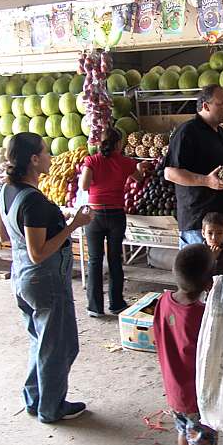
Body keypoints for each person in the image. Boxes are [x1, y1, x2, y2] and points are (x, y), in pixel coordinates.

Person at [0, 132, 93, 423]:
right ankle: (51, 408)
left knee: (40, 341)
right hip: (44, 280)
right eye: (45, 152)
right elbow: (39, 253)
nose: (51, 157)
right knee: (60, 346)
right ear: (34, 159)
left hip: (22, 277)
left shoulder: (6, 191)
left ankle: (34, 399)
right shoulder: (34, 202)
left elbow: (3, 236)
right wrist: (74, 225)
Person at [153, 244, 218, 445]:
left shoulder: (163, 301)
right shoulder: (202, 314)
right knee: (199, 442)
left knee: (184, 431)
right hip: (196, 396)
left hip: (174, 391)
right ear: (209, 283)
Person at [79, 127, 149, 317]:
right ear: (119, 143)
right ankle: (116, 304)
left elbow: (84, 185)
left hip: (94, 216)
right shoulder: (127, 162)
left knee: (94, 260)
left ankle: (95, 307)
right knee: (115, 260)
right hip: (116, 215)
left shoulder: (91, 161)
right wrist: (139, 168)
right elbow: (139, 179)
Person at [164, 85, 223, 253]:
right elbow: (169, 172)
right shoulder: (187, 132)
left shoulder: (222, 134)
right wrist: (206, 180)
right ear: (206, 106)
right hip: (200, 226)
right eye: (222, 103)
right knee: (199, 275)